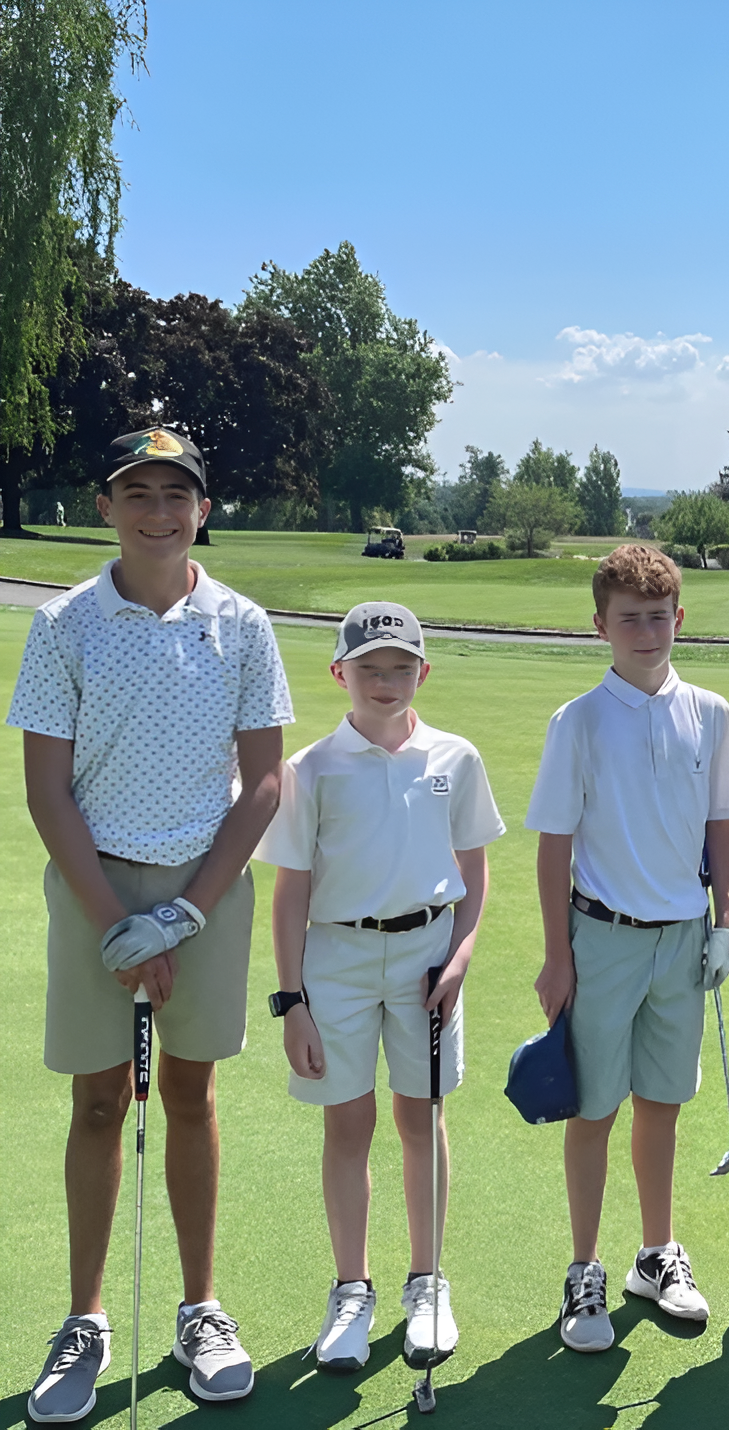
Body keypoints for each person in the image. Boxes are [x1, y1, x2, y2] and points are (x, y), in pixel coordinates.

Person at [11, 427, 293, 1421]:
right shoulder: (66, 625)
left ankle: (199, 1306)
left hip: (205, 889)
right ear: (107, 507)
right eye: (139, 492)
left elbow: (264, 782)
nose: (159, 512)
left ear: (203, 510)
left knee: (188, 1093)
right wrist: (116, 922)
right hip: (93, 877)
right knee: (98, 1102)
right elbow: (47, 794)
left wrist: (179, 913)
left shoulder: (245, 624)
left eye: (178, 494)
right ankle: (84, 1318)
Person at [253, 602, 504, 1370]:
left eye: (401, 667)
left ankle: (427, 1283)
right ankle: (351, 1291)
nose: (386, 682)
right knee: (347, 1126)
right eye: (370, 669)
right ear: (340, 674)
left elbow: (473, 871)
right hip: (338, 961)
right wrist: (291, 1000)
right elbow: (291, 892)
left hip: (429, 955)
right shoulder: (310, 770)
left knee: (421, 1116)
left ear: (422, 672)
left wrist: (461, 957)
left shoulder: (455, 758)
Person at [527, 545, 729, 1353]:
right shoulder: (578, 721)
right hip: (602, 937)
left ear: (679, 619)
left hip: (684, 940)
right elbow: (554, 845)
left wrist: (725, 919)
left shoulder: (712, 713)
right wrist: (558, 956)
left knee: (663, 1104)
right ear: (601, 627)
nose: (647, 632)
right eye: (630, 619)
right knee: (594, 1108)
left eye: (660, 617)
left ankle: (655, 1255)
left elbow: (721, 824)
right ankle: (584, 1271)